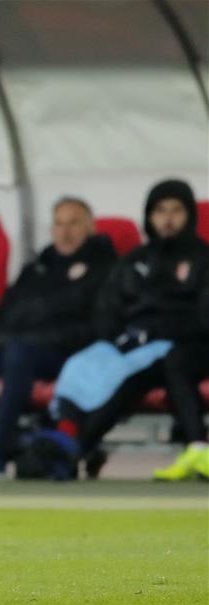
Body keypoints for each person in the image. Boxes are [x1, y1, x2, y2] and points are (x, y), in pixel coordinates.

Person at [48, 179, 209, 478]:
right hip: (135, 347)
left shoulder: (202, 259)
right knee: (84, 363)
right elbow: (107, 309)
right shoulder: (134, 261)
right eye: (160, 210)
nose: (168, 218)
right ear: (149, 216)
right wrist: (119, 338)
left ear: (189, 215)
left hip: (187, 344)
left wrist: (157, 332)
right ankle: (69, 444)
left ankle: (197, 447)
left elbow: (203, 317)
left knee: (146, 372)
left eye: (176, 210)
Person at [0, 198, 116, 479]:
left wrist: (25, 335)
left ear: (90, 227)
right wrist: (12, 337)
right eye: (59, 223)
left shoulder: (105, 268)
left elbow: (93, 330)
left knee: (19, 354)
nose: (65, 231)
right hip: (17, 351)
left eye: (74, 223)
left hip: (67, 358)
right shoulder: (37, 268)